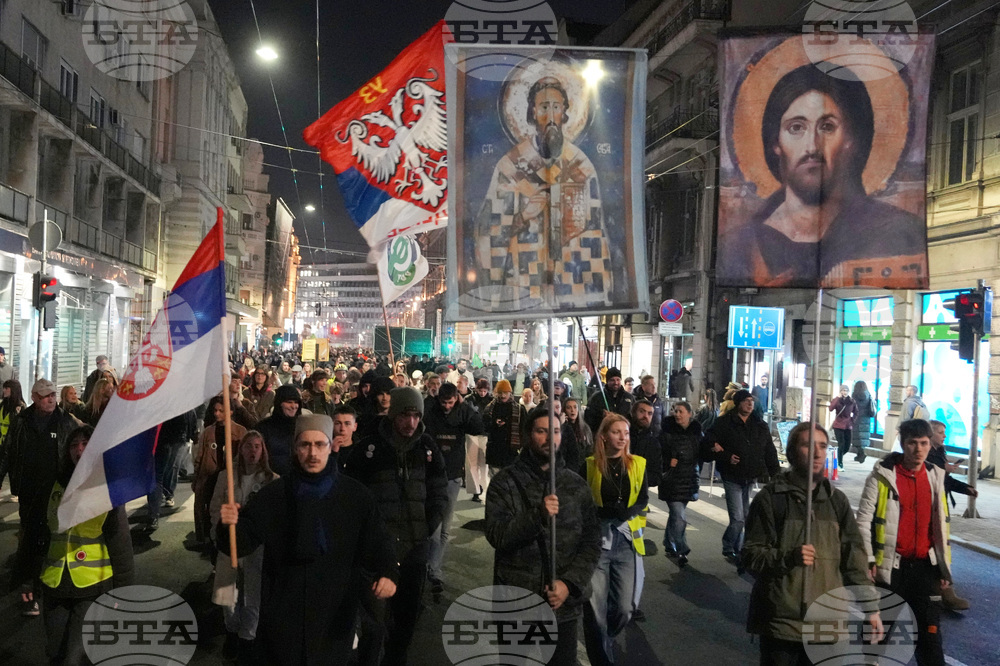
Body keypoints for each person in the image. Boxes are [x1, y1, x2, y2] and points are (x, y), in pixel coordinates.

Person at [717, 64, 926, 288]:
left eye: (827, 127)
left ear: (849, 140)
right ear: (776, 142)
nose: (812, 146)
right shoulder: (741, 245)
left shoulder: (896, 231)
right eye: (796, 128)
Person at [217, 414, 398, 665]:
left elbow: (379, 540)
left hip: (335, 611)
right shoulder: (274, 495)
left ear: (330, 446)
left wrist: (388, 572)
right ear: (295, 448)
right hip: (284, 611)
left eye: (320, 444)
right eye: (305, 444)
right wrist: (229, 525)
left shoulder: (356, 496)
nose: (313, 453)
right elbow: (240, 544)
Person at [473, 73, 613, 312]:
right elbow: (487, 230)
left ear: (564, 112)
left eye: (556, 107)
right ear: (533, 112)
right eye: (544, 107)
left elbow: (596, 231)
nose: (550, 116)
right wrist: (523, 216)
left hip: (570, 281)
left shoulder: (581, 165)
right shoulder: (511, 165)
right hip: (524, 279)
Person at [744, 422, 879, 665]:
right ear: (792, 452)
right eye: (808, 445)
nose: (817, 453)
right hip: (782, 625)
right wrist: (788, 557)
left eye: (823, 446)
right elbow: (750, 556)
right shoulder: (771, 500)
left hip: (828, 624)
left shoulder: (837, 502)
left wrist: (871, 608)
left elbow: (854, 559)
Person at [485, 405, 601, 666]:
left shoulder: (575, 485)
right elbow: (497, 535)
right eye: (541, 431)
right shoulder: (505, 482)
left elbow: (592, 541)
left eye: (556, 431)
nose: (550, 438)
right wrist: (536, 516)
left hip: (562, 607)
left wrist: (569, 584)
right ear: (528, 435)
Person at [342, 388, 448, 665]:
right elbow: (353, 496)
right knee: (374, 625)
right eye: (404, 415)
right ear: (393, 415)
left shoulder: (427, 448)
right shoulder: (370, 449)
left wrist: (427, 525)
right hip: (377, 553)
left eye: (416, 416)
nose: (411, 422)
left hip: (415, 550)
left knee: (406, 622)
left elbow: (439, 490)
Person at [16, 425, 134, 664]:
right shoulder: (52, 485)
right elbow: (34, 535)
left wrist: (123, 591)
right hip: (54, 583)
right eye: (74, 445)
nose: (79, 450)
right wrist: (26, 578)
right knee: (55, 652)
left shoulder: (106, 488)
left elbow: (120, 542)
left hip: (93, 585)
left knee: (76, 656)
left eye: (86, 444)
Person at [856, 419, 952, 666]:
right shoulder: (882, 476)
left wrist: (944, 567)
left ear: (930, 444)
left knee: (930, 639)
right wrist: (868, 560)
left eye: (924, 443)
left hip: (925, 568)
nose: (918, 449)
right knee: (878, 634)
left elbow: (941, 527)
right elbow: (863, 522)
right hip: (891, 569)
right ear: (902, 443)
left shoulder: (935, 476)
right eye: (912, 443)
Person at [6, 379, 80, 615]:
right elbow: (8, 452)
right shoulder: (21, 421)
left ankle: (44, 586)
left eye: (53, 395)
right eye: (45, 395)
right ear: (34, 397)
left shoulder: (66, 421)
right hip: (28, 492)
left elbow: (79, 449)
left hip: (55, 493)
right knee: (29, 538)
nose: (51, 399)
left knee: (50, 539)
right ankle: (29, 587)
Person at [583, 414, 648, 665]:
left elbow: (643, 498)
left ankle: (606, 637)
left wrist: (628, 511)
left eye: (626, 433)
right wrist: (602, 512)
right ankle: (601, 656)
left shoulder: (637, 464)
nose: (623, 437)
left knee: (625, 608)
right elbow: (581, 501)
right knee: (595, 610)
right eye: (616, 432)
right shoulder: (590, 465)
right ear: (603, 436)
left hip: (627, 541)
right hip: (597, 542)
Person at [210, 430, 278, 657]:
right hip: (228, 544)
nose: (253, 451)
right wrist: (217, 534)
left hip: (256, 547)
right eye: (249, 446)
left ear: (263, 450)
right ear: (241, 450)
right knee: (227, 594)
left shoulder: (271, 480)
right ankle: (231, 630)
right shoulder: (226, 477)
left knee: (252, 594)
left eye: (257, 446)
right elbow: (215, 508)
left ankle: (247, 637)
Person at [704, 389, 779, 565]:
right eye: (746, 400)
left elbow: (769, 450)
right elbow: (709, 440)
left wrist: (775, 474)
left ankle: (737, 549)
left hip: (750, 475)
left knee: (744, 516)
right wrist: (726, 456)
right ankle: (729, 545)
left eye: (751, 400)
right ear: (738, 403)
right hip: (731, 475)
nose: (750, 403)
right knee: (738, 518)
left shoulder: (759, 425)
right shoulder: (725, 423)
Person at [422, 382, 485, 590]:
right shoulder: (432, 410)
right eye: (443, 402)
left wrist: (463, 406)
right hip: (431, 475)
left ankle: (434, 568)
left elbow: (479, 428)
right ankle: (427, 565)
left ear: (456, 398)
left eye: (450, 402)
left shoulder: (463, 413)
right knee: (433, 525)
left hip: (452, 475)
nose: (447, 406)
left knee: (445, 528)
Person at [928, 420, 974, 611]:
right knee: (934, 548)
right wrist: (942, 468)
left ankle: (944, 589)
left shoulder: (940, 452)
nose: (944, 436)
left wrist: (966, 489)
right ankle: (942, 591)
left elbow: (946, 481)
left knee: (941, 547)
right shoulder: (928, 455)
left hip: (940, 507)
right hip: (927, 506)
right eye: (940, 432)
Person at [192, 396, 247, 547]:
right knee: (208, 509)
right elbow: (200, 457)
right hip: (209, 478)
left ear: (230, 412)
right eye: (215, 410)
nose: (217, 414)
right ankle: (209, 539)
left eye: (221, 411)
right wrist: (196, 479)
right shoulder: (208, 432)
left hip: (229, 479)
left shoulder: (240, 431)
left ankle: (226, 541)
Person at [627, 400, 661, 621]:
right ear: (633, 412)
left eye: (649, 413)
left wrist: (641, 478)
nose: (646, 416)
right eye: (642, 412)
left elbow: (657, 474)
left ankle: (631, 604)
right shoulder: (624, 435)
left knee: (635, 555)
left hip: (638, 504)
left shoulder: (653, 441)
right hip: (614, 503)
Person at [659, 401, 703, 566]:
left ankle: (668, 542)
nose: (677, 414)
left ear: (689, 414)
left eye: (681, 411)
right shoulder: (666, 432)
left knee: (675, 515)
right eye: (675, 411)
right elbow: (658, 452)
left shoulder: (697, 433)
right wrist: (667, 463)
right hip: (672, 480)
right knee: (679, 516)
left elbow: (702, 454)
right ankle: (681, 548)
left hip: (689, 479)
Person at [146, 409, 197, 532]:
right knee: (166, 470)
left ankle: (154, 514)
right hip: (173, 438)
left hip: (165, 439)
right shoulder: (177, 403)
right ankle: (166, 495)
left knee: (158, 475)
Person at [255, 384, 302, 477]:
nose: (294, 406)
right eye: (289, 402)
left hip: (298, 480)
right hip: (270, 479)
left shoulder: (302, 427)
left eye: (296, 402)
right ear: (279, 403)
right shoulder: (263, 428)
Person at [483, 379, 526, 474]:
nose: (503, 395)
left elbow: (524, 430)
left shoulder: (519, 409)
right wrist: (494, 422)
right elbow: (484, 426)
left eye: (505, 393)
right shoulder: (490, 408)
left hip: (511, 452)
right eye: (500, 393)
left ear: (510, 392)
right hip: (494, 449)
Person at [584, 367, 634, 435]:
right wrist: (602, 417)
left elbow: (633, 419)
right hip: (604, 435)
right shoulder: (597, 397)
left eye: (618, 379)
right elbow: (589, 418)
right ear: (607, 381)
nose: (615, 382)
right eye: (612, 380)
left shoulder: (629, 398)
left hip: (623, 435)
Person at [0, 379, 27, 491]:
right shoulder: (2, 405)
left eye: (7, 388)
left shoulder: (20, 407)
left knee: (11, 472)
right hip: (1, 443)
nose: (4, 390)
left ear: (13, 390)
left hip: (12, 446)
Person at [829, 384, 857, 468]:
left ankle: (838, 455)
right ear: (840, 391)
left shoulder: (851, 401)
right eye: (843, 390)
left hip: (848, 426)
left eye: (846, 391)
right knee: (841, 444)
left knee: (847, 446)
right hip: (838, 425)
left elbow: (856, 412)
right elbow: (831, 408)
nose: (845, 392)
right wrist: (837, 398)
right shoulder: (837, 400)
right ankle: (840, 463)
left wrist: (852, 420)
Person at [851, 380, 874, 463]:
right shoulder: (868, 394)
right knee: (863, 437)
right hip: (866, 418)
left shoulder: (855, 395)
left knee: (857, 437)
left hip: (857, 418)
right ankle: (860, 454)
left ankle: (861, 454)